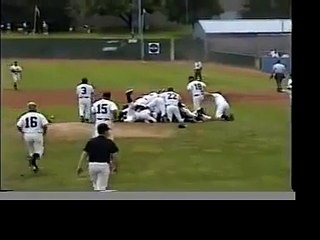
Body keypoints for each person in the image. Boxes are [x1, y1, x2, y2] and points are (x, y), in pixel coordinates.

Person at [77, 123, 119, 192]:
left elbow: (84, 154)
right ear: (105, 132)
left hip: (92, 166)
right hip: (103, 166)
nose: (108, 132)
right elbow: (114, 156)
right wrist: (116, 167)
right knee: (101, 188)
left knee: (96, 187)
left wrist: (79, 166)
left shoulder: (91, 141)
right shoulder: (109, 142)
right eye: (108, 130)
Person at [16, 102, 49, 173]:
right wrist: (44, 133)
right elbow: (45, 125)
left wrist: (22, 132)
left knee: (31, 151)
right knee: (39, 151)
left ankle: (34, 165)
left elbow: (18, 126)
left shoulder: (24, 116)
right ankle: (33, 161)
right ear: (35, 107)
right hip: (37, 134)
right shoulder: (40, 115)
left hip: (27, 135)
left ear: (28, 108)